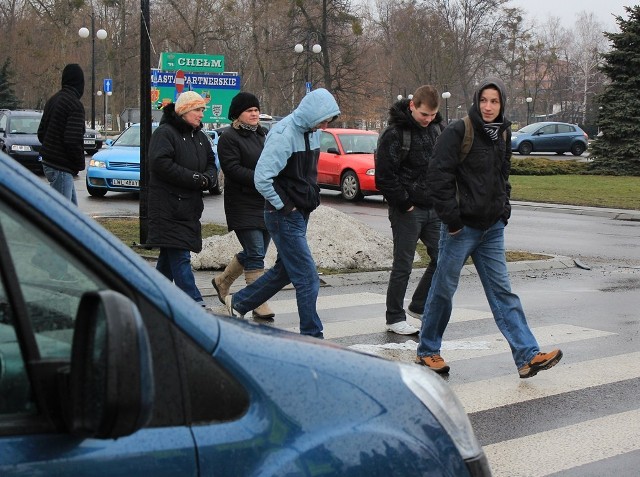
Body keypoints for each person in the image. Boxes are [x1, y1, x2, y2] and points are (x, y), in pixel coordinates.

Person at [416, 77, 563, 378]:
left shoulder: (504, 134)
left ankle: (527, 356)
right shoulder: (460, 130)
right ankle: (428, 350)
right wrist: (452, 219)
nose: (488, 106)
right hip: (461, 229)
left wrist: (503, 209)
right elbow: (437, 175)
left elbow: (503, 174)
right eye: (484, 100)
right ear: (476, 101)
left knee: (503, 293)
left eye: (494, 101)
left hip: (492, 228)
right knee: (444, 289)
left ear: (502, 104)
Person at [224, 88, 340, 338]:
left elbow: (305, 174)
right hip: (283, 215)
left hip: (299, 211)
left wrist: (309, 197)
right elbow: (262, 178)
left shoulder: (312, 131)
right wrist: (287, 206)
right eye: (324, 118)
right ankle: (312, 335)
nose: (326, 124)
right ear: (313, 114)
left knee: (285, 270)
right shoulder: (284, 133)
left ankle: (239, 303)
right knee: (307, 277)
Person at [375, 85, 443, 335]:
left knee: (443, 256)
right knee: (403, 264)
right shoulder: (395, 134)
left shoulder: (437, 128)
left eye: (433, 115)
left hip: (434, 207)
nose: (428, 120)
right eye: (425, 114)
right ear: (413, 106)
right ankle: (394, 317)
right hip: (407, 209)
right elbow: (384, 175)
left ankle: (419, 305)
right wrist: (405, 202)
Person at [147, 91, 217, 306]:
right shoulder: (165, 134)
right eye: (198, 110)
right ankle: (195, 304)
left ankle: (149, 299)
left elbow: (211, 163)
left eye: (202, 110)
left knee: (169, 260)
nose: (201, 115)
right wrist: (195, 178)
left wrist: (209, 178)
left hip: (189, 208)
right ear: (184, 111)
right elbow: (160, 163)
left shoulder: (200, 137)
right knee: (180, 256)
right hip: (167, 207)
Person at [212, 92, 275, 320]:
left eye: (256, 110)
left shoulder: (263, 135)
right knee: (256, 253)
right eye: (250, 110)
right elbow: (232, 169)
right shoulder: (229, 137)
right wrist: (261, 177)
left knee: (253, 251)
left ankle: (222, 282)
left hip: (264, 202)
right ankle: (257, 301)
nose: (255, 113)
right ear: (238, 114)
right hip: (241, 203)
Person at [37, 63, 86, 205]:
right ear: (80, 83)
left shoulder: (53, 100)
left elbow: (41, 133)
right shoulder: (75, 106)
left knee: (72, 211)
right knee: (62, 216)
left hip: (48, 163)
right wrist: (78, 164)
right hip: (62, 167)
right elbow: (72, 140)